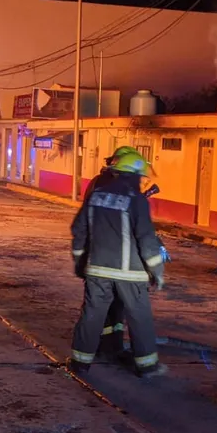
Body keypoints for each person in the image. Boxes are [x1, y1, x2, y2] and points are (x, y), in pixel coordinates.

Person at [70, 151, 167, 377]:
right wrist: (157, 271)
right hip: (130, 273)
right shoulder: (137, 200)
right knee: (139, 316)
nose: (142, 181)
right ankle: (147, 366)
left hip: (96, 269)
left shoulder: (96, 195)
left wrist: (79, 261)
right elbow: (146, 239)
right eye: (140, 177)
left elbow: (79, 230)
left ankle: (80, 363)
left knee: (92, 314)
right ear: (133, 175)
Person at [84, 146, 144, 363]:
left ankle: (106, 346)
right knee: (110, 305)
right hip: (110, 254)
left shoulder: (100, 182)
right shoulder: (108, 184)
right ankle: (105, 348)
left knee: (109, 306)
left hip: (102, 254)